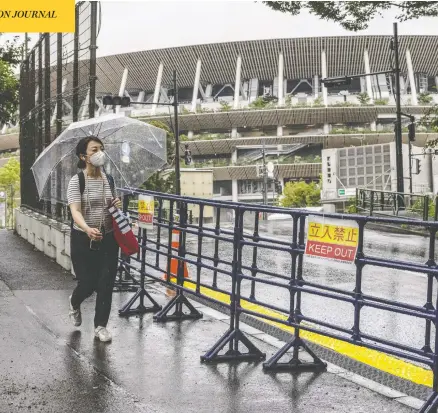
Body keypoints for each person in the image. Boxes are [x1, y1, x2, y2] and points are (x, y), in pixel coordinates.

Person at [67, 136, 121, 342]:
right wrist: (87, 228)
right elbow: (75, 211)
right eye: (94, 149)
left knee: (106, 282)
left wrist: (116, 204)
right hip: (83, 238)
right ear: (84, 156)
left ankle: (100, 326)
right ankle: (74, 301)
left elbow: (111, 207)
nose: (100, 153)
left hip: (107, 238)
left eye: (102, 149)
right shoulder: (77, 181)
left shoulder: (109, 179)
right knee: (88, 283)